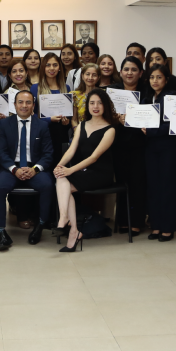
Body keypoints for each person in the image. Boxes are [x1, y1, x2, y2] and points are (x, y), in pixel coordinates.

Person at [52, 89, 118, 252]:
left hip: (101, 174)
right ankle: (71, 227)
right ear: (87, 106)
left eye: (100, 103)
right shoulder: (81, 125)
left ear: (105, 106)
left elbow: (94, 157)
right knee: (61, 179)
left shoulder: (110, 129)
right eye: (92, 103)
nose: (95, 106)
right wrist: (59, 166)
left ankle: (68, 224)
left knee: (65, 184)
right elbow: (71, 150)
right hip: (83, 171)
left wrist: (70, 170)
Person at [0, 90, 55, 251]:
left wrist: (35, 169)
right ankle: (0, 231)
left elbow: (48, 154)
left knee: (47, 185)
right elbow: (1, 152)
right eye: (20, 102)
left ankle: (40, 225)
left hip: (34, 167)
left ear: (33, 105)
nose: (24, 105)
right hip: (12, 167)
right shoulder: (5, 124)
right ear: (14, 105)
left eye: (28, 102)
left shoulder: (42, 125)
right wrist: (14, 169)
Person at [141, 64, 176, 242]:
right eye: (152, 77)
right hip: (150, 147)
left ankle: (167, 228)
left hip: (169, 147)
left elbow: (174, 124)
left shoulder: (172, 96)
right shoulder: (147, 98)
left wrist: (151, 131)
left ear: (166, 79)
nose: (155, 81)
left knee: (168, 187)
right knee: (153, 186)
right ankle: (156, 225)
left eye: (159, 77)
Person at [108, 57, 146, 235]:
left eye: (134, 69)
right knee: (122, 182)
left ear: (141, 73)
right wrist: (117, 119)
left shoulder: (146, 91)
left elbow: (150, 116)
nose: (129, 73)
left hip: (141, 143)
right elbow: (105, 115)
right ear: (120, 72)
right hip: (118, 142)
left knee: (138, 183)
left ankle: (136, 221)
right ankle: (123, 220)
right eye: (126, 69)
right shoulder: (113, 91)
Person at [32, 52, 71, 163]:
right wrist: (49, 119)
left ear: (60, 67)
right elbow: (32, 115)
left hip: (61, 134)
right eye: (48, 65)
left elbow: (70, 115)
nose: (52, 68)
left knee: (60, 165)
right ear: (43, 68)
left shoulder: (66, 87)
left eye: (55, 65)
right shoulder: (35, 88)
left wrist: (66, 121)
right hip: (43, 134)